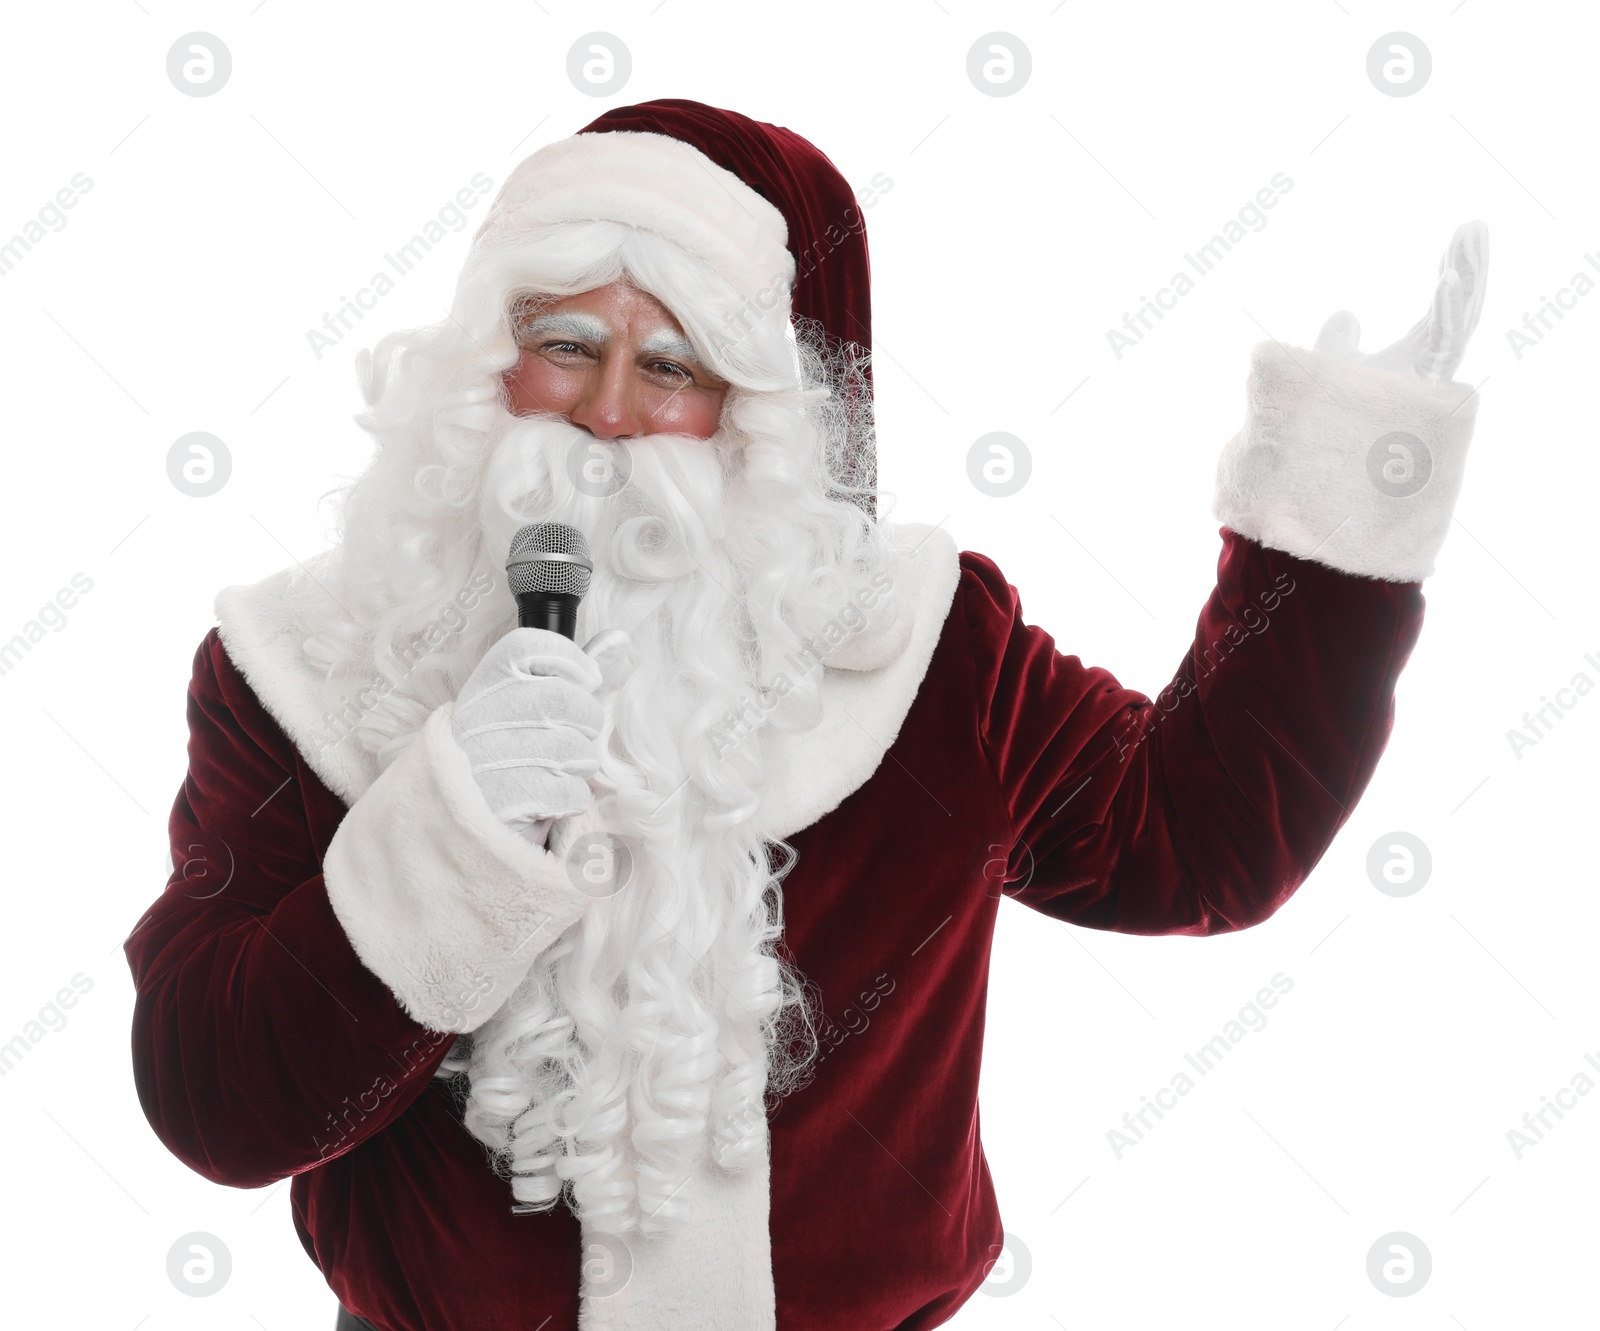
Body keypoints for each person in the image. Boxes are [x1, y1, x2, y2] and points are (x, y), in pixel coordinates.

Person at [124, 98, 1488, 1331]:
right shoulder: (306, 668)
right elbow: (217, 1106)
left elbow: (1199, 840)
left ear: (766, 417)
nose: (607, 417)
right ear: (490, 361)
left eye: (674, 370)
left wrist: (1342, 496)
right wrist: (447, 835)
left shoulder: (923, 653)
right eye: (566, 344)